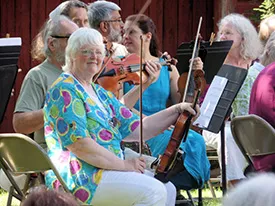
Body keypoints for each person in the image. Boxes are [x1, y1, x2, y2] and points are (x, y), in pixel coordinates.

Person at [43, 27, 199, 205]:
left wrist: (177, 110)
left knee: (168, 188)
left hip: (106, 170)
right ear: (71, 55)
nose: (94, 56)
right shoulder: (65, 89)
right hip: (81, 178)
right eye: (86, 51)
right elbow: (81, 145)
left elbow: (141, 128)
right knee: (153, 191)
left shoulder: (99, 92)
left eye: (98, 52)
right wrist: (124, 165)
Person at [122, 14, 210, 191]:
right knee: (185, 142)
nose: (125, 37)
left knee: (195, 139)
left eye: (131, 32)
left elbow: (183, 102)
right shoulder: (121, 68)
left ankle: (173, 187)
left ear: (148, 36)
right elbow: (119, 106)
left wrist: (193, 75)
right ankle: (169, 186)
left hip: (164, 125)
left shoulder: (167, 67)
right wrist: (156, 121)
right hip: (135, 127)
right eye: (124, 32)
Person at [203, 13, 262, 186]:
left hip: (253, 126)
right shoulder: (215, 66)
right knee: (228, 136)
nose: (222, 36)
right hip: (219, 126)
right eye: (221, 32)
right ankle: (237, 187)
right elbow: (206, 105)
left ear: (243, 38)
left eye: (228, 32)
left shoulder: (256, 68)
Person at [13, 16, 79, 149]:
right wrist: (54, 109)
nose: (78, 44)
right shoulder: (38, 75)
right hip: (56, 156)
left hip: (86, 150)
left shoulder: (81, 74)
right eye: (71, 39)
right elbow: (20, 124)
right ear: (52, 44)